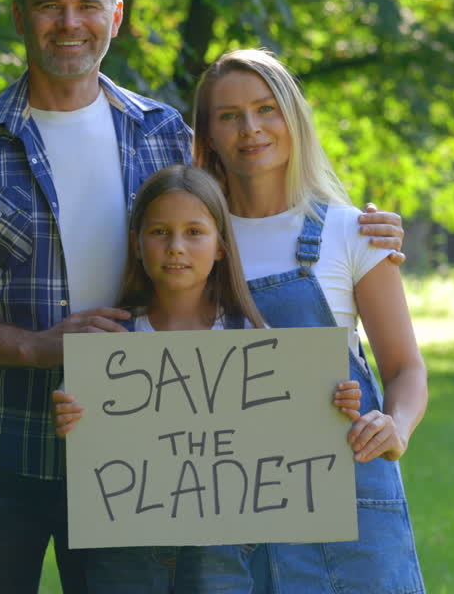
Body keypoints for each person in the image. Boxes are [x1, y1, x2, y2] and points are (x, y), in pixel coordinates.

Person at [0, 0, 405, 594]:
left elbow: (244, 213)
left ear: (115, 17)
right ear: (20, 17)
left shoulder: (163, 134)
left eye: (87, 6)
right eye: (49, 6)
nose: (69, 23)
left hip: (143, 462)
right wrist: (38, 348)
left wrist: (354, 226)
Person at [52, 164, 368, 592]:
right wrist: (71, 418)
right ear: (137, 244)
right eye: (159, 232)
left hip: (221, 555)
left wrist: (329, 409)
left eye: (194, 232)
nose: (176, 247)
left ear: (221, 245)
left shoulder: (253, 338)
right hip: (125, 554)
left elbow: (282, 434)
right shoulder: (109, 341)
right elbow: (89, 444)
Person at [186, 48, 428, 593]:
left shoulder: (353, 232)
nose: (250, 128)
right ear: (209, 136)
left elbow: (405, 368)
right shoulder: (191, 241)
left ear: (293, 117)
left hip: (343, 499)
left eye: (265, 109)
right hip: (225, 506)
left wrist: (397, 425)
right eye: (229, 116)